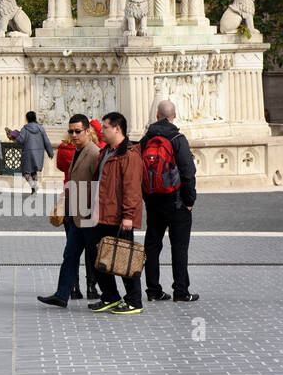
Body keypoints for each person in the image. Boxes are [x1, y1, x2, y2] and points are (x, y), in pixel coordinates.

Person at [38, 114, 101, 309]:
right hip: (76, 215)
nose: (73, 135)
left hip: (88, 215)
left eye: (77, 131)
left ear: (87, 131)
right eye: (71, 131)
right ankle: (62, 294)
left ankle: (110, 294)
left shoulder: (93, 153)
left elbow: (99, 186)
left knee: (96, 256)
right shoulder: (78, 151)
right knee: (70, 255)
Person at [141, 101, 199, 302]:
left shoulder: (147, 138)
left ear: (157, 115)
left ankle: (153, 290)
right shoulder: (177, 138)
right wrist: (189, 200)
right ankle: (181, 291)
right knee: (179, 247)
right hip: (176, 202)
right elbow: (188, 172)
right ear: (174, 115)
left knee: (152, 246)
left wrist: (146, 195)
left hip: (153, 201)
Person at [88, 112, 144, 315]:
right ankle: (110, 296)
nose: (101, 130)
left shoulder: (129, 155)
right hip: (103, 214)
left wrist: (128, 216)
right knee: (96, 255)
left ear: (117, 129)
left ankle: (134, 301)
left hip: (120, 217)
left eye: (105, 127)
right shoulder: (106, 153)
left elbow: (132, 188)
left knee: (124, 258)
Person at [9, 111, 54, 193]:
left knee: (25, 172)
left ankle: (33, 186)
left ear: (27, 119)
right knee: (34, 171)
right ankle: (34, 187)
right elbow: (46, 141)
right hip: (38, 153)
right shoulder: (41, 128)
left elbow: (20, 140)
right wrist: (50, 152)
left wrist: (15, 136)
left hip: (28, 153)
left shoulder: (25, 129)